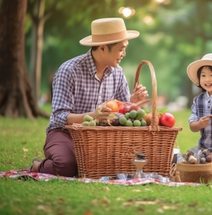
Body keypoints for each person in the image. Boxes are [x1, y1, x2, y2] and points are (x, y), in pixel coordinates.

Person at [30, 18, 149, 177]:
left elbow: (122, 113)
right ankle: (38, 165)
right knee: (67, 166)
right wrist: (93, 116)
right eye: (121, 49)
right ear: (102, 48)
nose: (124, 54)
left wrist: (132, 102)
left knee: (116, 165)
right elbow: (58, 117)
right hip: (65, 133)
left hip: (100, 137)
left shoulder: (117, 72)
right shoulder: (69, 71)